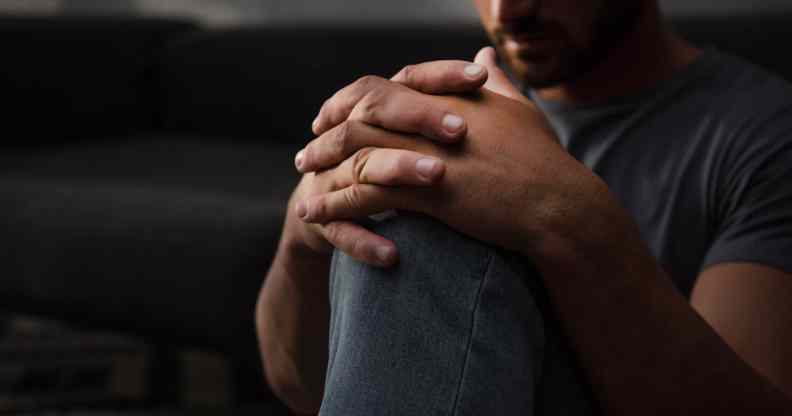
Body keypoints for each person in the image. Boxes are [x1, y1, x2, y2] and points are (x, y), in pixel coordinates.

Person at [256, 0, 792, 414]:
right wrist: (305, 229)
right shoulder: (454, 113)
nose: (508, 10)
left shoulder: (767, 136)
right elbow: (297, 388)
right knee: (406, 194)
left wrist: (563, 215)